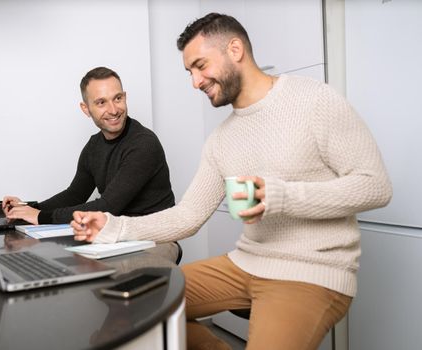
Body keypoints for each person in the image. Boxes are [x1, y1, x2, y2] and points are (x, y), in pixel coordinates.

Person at [71, 13, 393, 350]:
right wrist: (112, 226)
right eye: (189, 72)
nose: (195, 82)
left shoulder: (314, 101)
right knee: (131, 306)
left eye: (200, 65)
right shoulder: (221, 139)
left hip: (310, 271)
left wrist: (281, 197)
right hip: (245, 263)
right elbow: (188, 216)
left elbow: (375, 185)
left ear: (235, 49)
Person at [2, 66, 175, 225]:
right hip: (115, 235)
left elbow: (107, 206)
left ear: (125, 97)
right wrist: (29, 208)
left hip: (154, 238)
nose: (114, 110)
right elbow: (75, 195)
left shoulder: (143, 144)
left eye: (118, 98)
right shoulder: (94, 146)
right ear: (86, 109)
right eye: (101, 102)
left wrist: (39, 216)